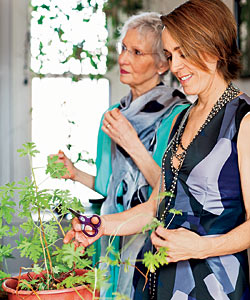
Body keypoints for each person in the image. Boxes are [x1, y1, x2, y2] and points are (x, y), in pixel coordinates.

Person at [64, 0, 250, 299]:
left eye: (183, 53)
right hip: (156, 281)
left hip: (214, 287)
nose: (175, 67)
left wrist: (204, 246)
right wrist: (98, 225)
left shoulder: (244, 119)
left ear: (214, 48)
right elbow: (155, 207)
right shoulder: (182, 117)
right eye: (170, 55)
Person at [55, 12, 189, 298]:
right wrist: (74, 173)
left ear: (163, 63)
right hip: (108, 239)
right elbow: (108, 187)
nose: (124, 59)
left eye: (137, 52)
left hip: (151, 247)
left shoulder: (180, 116)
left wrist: (132, 144)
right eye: (123, 48)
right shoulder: (112, 116)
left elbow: (170, 192)